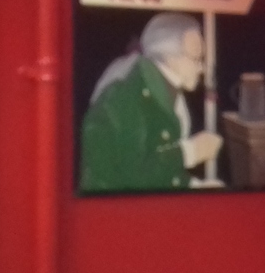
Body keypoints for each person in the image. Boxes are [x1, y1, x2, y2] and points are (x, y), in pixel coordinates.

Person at [79, 12, 224, 192]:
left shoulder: (167, 91)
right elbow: (133, 174)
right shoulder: (125, 96)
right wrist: (190, 152)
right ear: (171, 57)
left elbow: (163, 173)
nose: (201, 68)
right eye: (196, 58)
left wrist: (194, 186)